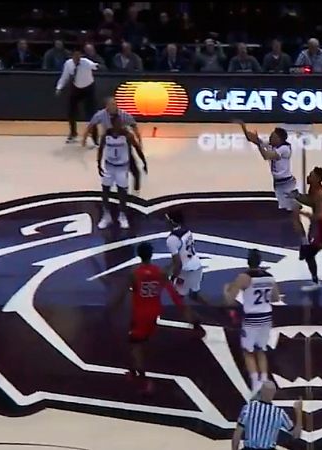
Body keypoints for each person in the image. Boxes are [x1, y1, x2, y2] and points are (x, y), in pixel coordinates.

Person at [108, 242, 193, 395]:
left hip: (140, 314)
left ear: (139, 255)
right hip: (154, 311)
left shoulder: (134, 273)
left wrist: (112, 308)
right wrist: (183, 310)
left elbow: (122, 293)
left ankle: (143, 379)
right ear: (151, 254)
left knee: (135, 345)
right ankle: (134, 370)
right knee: (142, 342)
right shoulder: (159, 272)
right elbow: (172, 289)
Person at [238, 121, 306, 247]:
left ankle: (304, 242)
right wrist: (243, 126)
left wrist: (259, 145)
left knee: (294, 216)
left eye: (273, 136)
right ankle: (289, 239)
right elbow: (251, 138)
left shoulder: (285, 149)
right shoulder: (273, 145)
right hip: (278, 186)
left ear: (279, 139)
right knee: (286, 215)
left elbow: (266, 156)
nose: (270, 138)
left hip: (288, 185)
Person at [223, 249, 280, 392]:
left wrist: (226, 291)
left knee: (248, 351)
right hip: (266, 316)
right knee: (261, 348)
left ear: (248, 261)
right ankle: (264, 379)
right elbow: (276, 298)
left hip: (251, 318)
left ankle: (255, 383)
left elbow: (230, 300)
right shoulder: (269, 277)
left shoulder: (244, 277)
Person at [291, 166, 322, 291]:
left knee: (314, 253)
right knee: (317, 252)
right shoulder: (313, 188)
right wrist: (297, 196)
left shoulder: (319, 193)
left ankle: (316, 282)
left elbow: (320, 215)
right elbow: (310, 201)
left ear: (317, 179)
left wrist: (303, 214)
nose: (308, 176)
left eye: (311, 175)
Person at [97, 115, 146, 230]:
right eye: (117, 123)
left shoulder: (127, 136)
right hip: (109, 167)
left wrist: (144, 162)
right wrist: (98, 164)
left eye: (121, 123)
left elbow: (137, 148)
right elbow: (100, 150)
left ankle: (122, 215)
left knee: (122, 193)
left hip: (122, 167)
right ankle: (106, 215)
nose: (119, 125)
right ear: (112, 124)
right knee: (105, 191)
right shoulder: (106, 135)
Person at [84, 97, 143, 190]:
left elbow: (134, 126)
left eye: (115, 104)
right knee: (111, 168)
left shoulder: (124, 115)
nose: (114, 106)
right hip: (109, 143)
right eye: (111, 104)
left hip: (123, 144)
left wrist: (139, 140)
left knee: (132, 167)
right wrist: (84, 140)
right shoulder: (100, 115)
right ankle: (111, 187)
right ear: (106, 106)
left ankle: (134, 189)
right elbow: (90, 126)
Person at [232, 381, 302, 450]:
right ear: (273, 394)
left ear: (261, 391)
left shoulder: (248, 408)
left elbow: (237, 435)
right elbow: (296, 435)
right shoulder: (279, 413)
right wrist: (299, 412)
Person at [165, 209, 209, 306]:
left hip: (185, 271)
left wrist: (173, 277)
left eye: (167, 220)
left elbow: (178, 263)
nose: (165, 223)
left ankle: (184, 317)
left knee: (178, 296)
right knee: (194, 295)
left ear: (172, 222)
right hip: (197, 265)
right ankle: (214, 310)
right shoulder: (187, 231)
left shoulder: (172, 239)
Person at [55, 48, 98, 144]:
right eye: (75, 56)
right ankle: (73, 133)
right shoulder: (68, 64)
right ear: (72, 56)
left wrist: (95, 65)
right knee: (71, 112)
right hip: (76, 88)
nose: (77, 58)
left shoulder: (86, 62)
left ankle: (95, 138)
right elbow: (64, 77)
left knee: (91, 114)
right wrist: (59, 88)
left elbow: (94, 66)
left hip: (88, 89)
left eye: (79, 56)